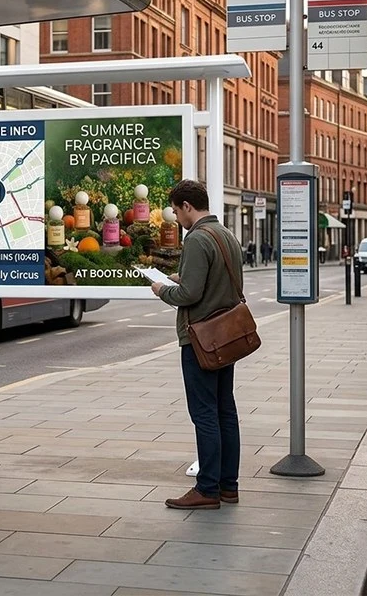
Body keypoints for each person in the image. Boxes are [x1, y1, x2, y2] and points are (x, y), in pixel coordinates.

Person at [149, 180, 243, 510]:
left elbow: (190, 295)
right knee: (224, 410)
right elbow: (214, 282)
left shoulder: (197, 239)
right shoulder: (225, 235)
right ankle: (229, 485)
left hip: (201, 339)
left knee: (204, 414)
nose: (176, 217)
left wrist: (163, 290)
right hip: (226, 336)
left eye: (176, 211)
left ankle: (207, 489)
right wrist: (182, 279)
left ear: (188, 206)